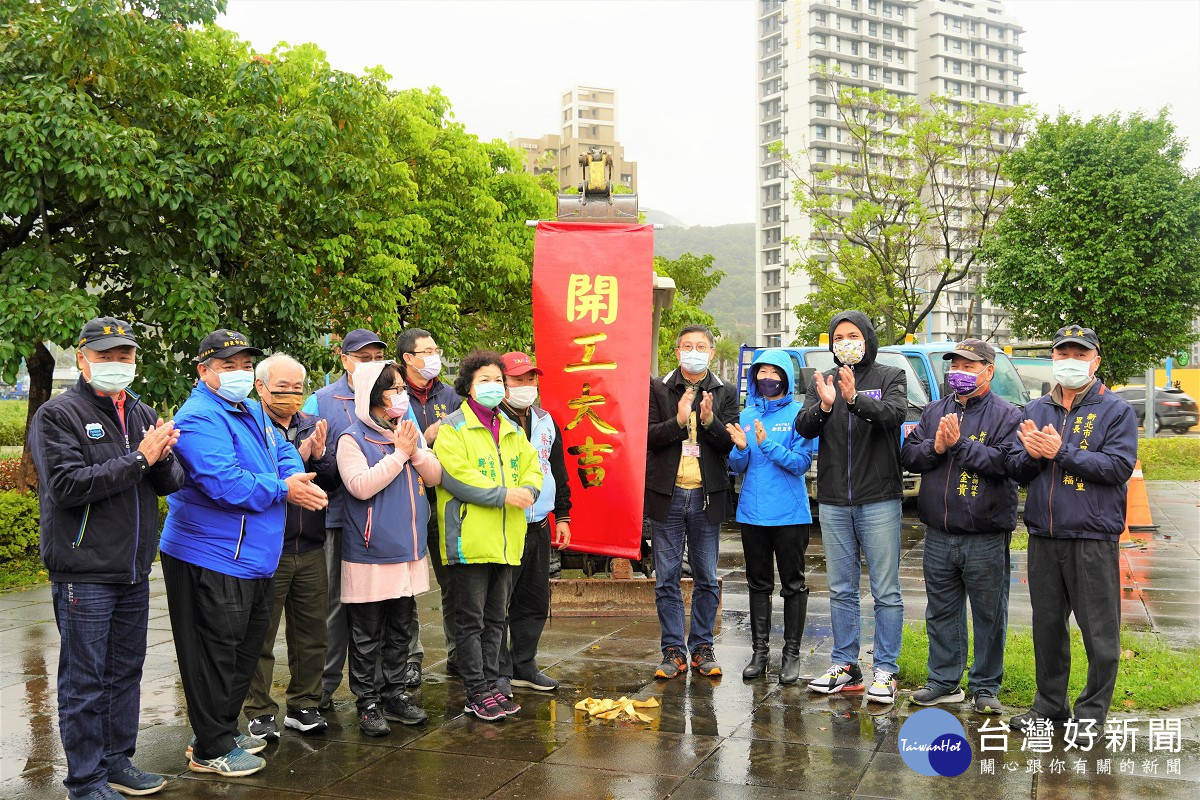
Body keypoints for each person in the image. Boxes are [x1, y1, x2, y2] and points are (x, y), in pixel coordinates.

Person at [160, 329, 328, 778]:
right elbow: (224, 482)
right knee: (214, 653)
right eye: (227, 365)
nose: (238, 372)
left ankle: (219, 731)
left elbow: (284, 451)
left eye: (244, 365)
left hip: (253, 556)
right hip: (210, 554)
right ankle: (211, 747)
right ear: (204, 371)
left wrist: (296, 477)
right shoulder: (199, 417)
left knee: (243, 650)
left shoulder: (250, 410)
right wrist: (283, 488)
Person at [30, 317, 185, 800]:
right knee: (85, 680)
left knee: (126, 671)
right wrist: (140, 458)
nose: (118, 364)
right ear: (82, 358)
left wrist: (162, 458)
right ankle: (86, 779)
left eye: (126, 356)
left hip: (133, 567)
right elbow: (67, 486)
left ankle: (118, 760)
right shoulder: (59, 415)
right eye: (107, 356)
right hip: (85, 570)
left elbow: (171, 482)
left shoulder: (140, 411)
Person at [1006, 325, 1137, 731]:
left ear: (1095, 361)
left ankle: (1092, 715)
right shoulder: (1036, 410)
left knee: (1100, 633)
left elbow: (1118, 467)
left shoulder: (1115, 410)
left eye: (1080, 355)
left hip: (1091, 536)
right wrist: (1031, 455)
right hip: (1044, 536)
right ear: (1053, 359)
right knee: (1047, 628)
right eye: (1063, 354)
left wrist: (1060, 451)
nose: (1070, 362)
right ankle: (1049, 707)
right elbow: (1015, 467)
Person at [900, 339, 1022, 715]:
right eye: (955, 365)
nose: (960, 372)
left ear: (989, 370)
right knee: (941, 611)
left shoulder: (1008, 415)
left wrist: (959, 446)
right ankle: (943, 681)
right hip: (939, 532)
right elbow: (908, 455)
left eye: (969, 366)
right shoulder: (935, 410)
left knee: (989, 613)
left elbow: (1006, 463)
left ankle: (985, 686)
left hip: (985, 534)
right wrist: (936, 446)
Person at [796, 311, 907, 704]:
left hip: (878, 498)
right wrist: (826, 406)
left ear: (868, 338)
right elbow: (804, 426)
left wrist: (853, 399)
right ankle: (846, 664)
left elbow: (894, 415)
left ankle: (886, 670)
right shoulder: (821, 378)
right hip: (833, 500)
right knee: (842, 588)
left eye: (853, 335)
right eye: (838, 336)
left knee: (886, 590)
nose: (845, 341)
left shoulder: (890, 376)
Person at [432, 351, 543, 722]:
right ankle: (475, 690)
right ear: (468, 386)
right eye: (485, 380)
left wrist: (529, 488)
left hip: (507, 539)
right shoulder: (452, 428)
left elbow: (533, 466)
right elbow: (458, 477)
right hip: (470, 540)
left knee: (497, 618)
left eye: (498, 380)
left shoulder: (511, 427)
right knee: (470, 621)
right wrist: (504, 494)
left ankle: (494, 685)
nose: (493, 387)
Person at [337, 360, 441, 736]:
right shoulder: (352, 438)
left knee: (401, 628)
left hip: (408, 549)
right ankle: (367, 702)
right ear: (373, 394)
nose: (401, 395)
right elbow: (360, 486)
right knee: (366, 635)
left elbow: (434, 474)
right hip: (370, 552)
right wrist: (399, 455)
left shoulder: (407, 431)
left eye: (401, 388)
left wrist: (412, 451)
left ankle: (395, 693)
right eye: (394, 388)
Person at [242, 354, 339, 740]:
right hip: (269, 548)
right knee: (260, 634)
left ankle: (305, 704)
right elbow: (250, 481)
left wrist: (318, 454)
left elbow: (330, 481)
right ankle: (259, 709)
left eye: (297, 388)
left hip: (311, 543)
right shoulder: (249, 424)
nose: (291, 395)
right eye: (282, 388)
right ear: (261, 387)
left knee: (313, 632)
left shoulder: (313, 424)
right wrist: (296, 459)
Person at [301, 329, 387, 710]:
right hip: (336, 517)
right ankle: (324, 688)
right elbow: (301, 454)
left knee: (381, 603)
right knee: (334, 606)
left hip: (381, 519)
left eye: (377, 357)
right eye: (363, 357)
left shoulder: (390, 399)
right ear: (345, 360)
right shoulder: (321, 400)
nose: (371, 364)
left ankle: (381, 683)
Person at [646, 324, 738, 680]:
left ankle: (701, 646)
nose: (694, 351)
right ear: (677, 351)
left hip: (705, 495)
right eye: (688, 346)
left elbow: (728, 443)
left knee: (706, 576)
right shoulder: (657, 387)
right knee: (666, 577)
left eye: (701, 346)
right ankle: (673, 650)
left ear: (712, 353)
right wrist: (679, 421)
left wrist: (710, 420)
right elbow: (648, 437)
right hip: (667, 494)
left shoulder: (724, 391)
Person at [726, 349, 815, 685]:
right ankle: (759, 653)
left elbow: (800, 464)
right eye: (760, 373)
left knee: (793, 585)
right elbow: (737, 467)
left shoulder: (799, 415)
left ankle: (790, 655)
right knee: (758, 585)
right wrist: (741, 448)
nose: (767, 379)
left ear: (786, 377)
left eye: (773, 372)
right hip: (752, 514)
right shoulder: (747, 415)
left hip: (790, 515)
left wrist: (766, 446)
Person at [496, 351, 572, 696]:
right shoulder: (491, 421)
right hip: (502, 523)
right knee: (497, 604)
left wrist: (563, 515)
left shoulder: (545, 419)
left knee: (534, 601)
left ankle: (523, 665)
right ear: (502, 383)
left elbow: (557, 470)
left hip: (539, 524)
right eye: (517, 380)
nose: (526, 386)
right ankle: (496, 672)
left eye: (531, 379)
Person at [397, 327, 463, 681]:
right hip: (404, 502)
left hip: (443, 502)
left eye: (436, 349)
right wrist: (427, 437)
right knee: (405, 583)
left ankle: (457, 650)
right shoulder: (391, 393)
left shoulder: (451, 395)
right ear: (408, 358)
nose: (435, 356)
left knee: (452, 579)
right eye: (427, 351)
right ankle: (410, 657)